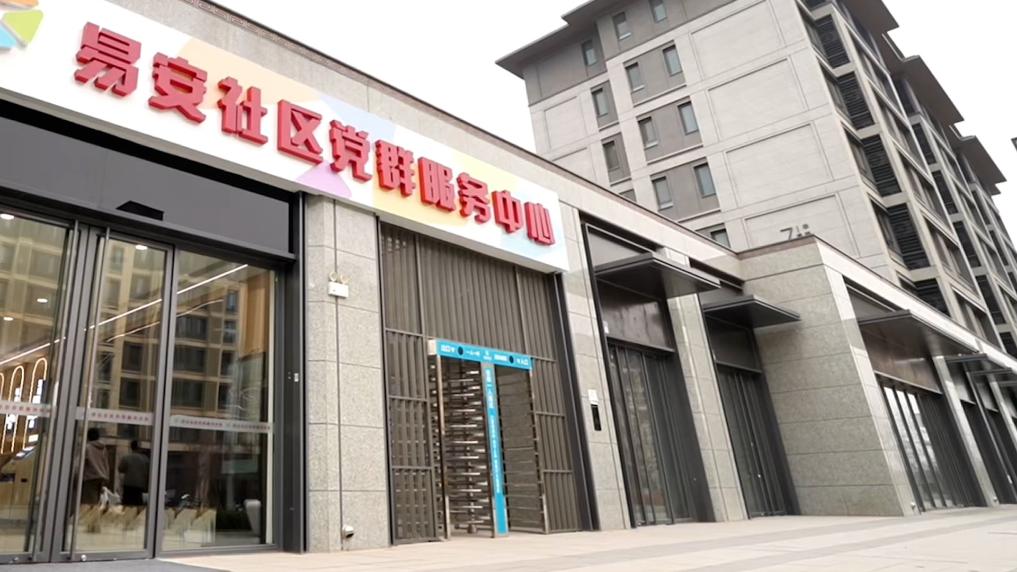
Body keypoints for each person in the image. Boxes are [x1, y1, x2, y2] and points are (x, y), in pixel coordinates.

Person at [80, 428, 109, 505]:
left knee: (88, 502)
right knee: (96, 500)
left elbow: (82, 462)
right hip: (101, 477)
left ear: (88, 436)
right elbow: (106, 463)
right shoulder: (103, 448)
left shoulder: (87, 447)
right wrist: (107, 476)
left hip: (91, 477)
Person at [118, 440, 150, 506]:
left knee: (127, 504)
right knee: (137, 504)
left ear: (131, 447)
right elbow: (148, 472)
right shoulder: (145, 459)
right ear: (139, 448)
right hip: (140, 486)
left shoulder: (126, 458)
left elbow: (120, 469)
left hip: (128, 485)